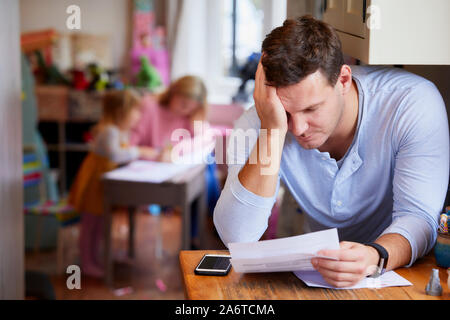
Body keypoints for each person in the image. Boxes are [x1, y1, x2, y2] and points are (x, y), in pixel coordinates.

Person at [213, 15, 450, 287]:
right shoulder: (261, 122)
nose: (299, 127)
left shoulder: (413, 103)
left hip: (397, 271)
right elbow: (237, 236)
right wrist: (271, 131)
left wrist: (375, 255)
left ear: (344, 80)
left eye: (311, 109)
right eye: (286, 112)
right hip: (319, 275)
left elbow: (419, 218)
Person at [69, 89, 155, 277]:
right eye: (136, 110)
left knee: (100, 224)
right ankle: (86, 262)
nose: (139, 115)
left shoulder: (120, 132)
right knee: (90, 225)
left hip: (104, 184)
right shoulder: (109, 132)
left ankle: (95, 257)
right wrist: (139, 151)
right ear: (121, 112)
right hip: (95, 185)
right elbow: (115, 154)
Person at [131, 76, 221, 246]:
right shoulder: (149, 106)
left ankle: (203, 229)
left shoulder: (192, 114)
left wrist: (178, 150)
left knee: (207, 167)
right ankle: (212, 222)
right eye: (182, 103)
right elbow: (130, 146)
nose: (185, 110)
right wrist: (157, 154)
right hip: (153, 166)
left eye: (190, 107)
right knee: (206, 174)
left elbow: (207, 138)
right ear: (173, 93)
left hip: (177, 164)